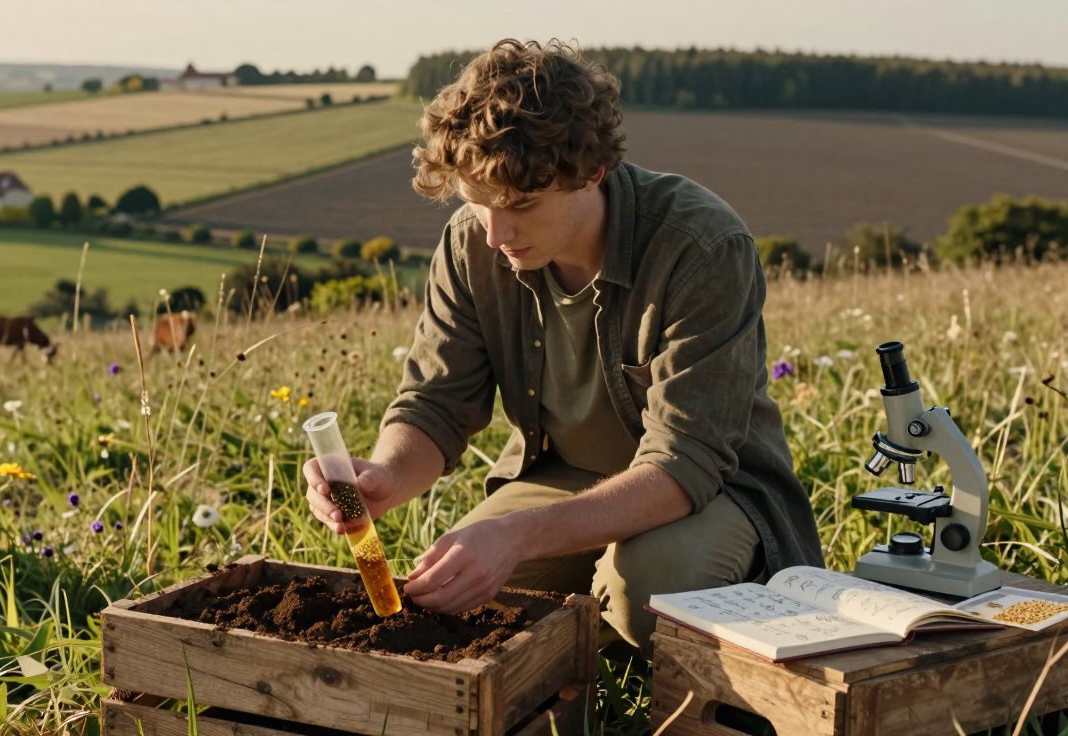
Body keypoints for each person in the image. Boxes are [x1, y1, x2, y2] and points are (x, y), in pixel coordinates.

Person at [303, 38, 823, 660]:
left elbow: (686, 463)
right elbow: (437, 405)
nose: (495, 234)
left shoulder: (701, 246)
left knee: (646, 589)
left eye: (520, 206)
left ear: (592, 172)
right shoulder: (475, 241)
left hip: (710, 492)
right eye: (477, 205)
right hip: (562, 481)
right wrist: (387, 474)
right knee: (451, 589)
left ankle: (701, 635)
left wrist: (519, 536)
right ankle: (581, 645)